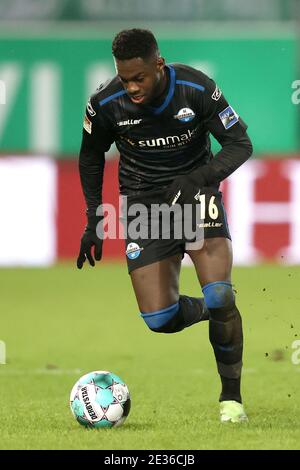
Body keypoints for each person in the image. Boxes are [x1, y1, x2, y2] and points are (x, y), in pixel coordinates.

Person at [77, 28, 253, 423]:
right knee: (159, 319)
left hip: (195, 195)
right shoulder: (105, 103)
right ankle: (212, 312)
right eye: (125, 79)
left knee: (222, 292)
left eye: (139, 77)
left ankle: (231, 401)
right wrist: (92, 219)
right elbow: (90, 158)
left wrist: (198, 179)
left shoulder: (195, 87)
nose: (132, 87)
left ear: (159, 64)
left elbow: (240, 144)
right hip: (143, 204)